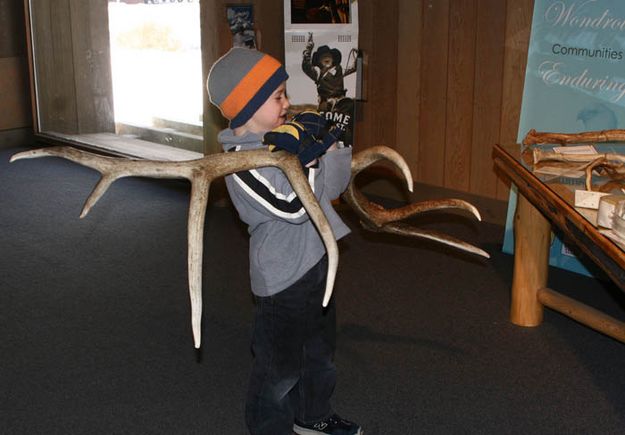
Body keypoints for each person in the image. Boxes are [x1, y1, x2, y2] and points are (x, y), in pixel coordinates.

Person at [206, 47, 362, 435]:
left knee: (319, 354)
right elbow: (295, 205)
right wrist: (304, 158)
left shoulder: (281, 143)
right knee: (278, 369)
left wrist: (331, 146)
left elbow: (333, 188)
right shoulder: (243, 162)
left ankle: (312, 415)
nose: (287, 103)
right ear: (249, 105)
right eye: (277, 97)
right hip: (281, 281)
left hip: (317, 264)